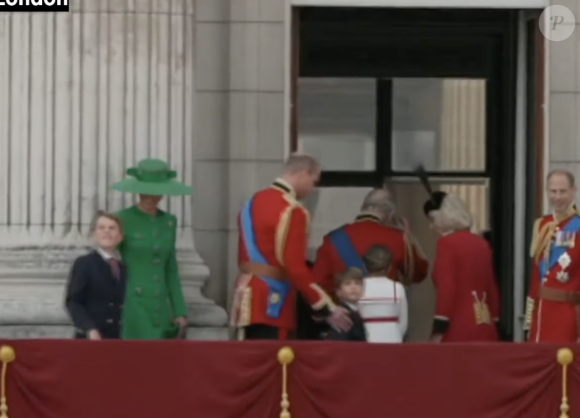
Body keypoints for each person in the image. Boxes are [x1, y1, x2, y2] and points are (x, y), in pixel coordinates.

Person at [229, 153, 351, 340]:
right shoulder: (293, 210)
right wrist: (325, 306)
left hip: (245, 295)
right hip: (274, 299)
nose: (312, 188)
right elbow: (295, 267)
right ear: (304, 173)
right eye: (313, 180)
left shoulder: (251, 203)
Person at [111, 158, 191, 339]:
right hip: (133, 303)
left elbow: (171, 269)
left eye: (155, 192)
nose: (150, 196)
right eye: (145, 191)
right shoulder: (122, 218)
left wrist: (179, 309)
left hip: (160, 304)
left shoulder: (169, 221)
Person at [312, 188, 429, 299]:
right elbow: (418, 274)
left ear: (363, 208)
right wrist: (409, 236)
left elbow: (318, 283)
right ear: (390, 214)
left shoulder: (333, 238)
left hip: (344, 315)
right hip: (384, 312)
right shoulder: (398, 238)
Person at [424, 191, 500, 342]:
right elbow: (491, 287)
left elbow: (447, 288)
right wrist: (496, 320)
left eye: (433, 220)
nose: (431, 226)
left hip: (458, 326)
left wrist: (439, 325)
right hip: (485, 324)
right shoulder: (482, 244)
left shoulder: (447, 244)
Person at [525, 170, 580, 342]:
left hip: (568, 315)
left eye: (562, 191)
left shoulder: (577, 226)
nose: (557, 197)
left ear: (574, 191)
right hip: (541, 313)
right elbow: (536, 275)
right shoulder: (542, 225)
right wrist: (529, 319)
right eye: (553, 191)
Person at [65, 211, 127, 340]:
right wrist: (89, 328)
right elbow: (74, 302)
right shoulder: (85, 263)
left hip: (118, 338)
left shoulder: (124, 268)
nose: (106, 231)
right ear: (94, 235)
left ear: (120, 236)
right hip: (91, 338)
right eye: (101, 228)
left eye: (112, 228)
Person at [359, 244, 408, 343]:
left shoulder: (358, 287)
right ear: (390, 267)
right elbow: (403, 322)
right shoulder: (397, 287)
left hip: (365, 338)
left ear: (365, 266)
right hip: (393, 337)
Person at [323, 267, 367, 342]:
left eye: (357, 283)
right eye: (347, 284)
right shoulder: (341, 315)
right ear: (338, 292)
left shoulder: (365, 311)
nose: (353, 287)